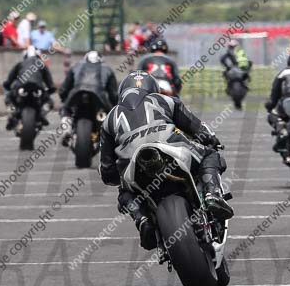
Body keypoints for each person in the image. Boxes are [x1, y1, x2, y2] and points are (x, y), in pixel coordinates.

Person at [99, 71, 234, 250]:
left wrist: (116, 176)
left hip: (133, 163)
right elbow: (197, 127)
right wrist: (211, 139)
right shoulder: (164, 100)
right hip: (170, 145)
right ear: (152, 88)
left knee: (125, 193)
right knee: (210, 155)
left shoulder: (109, 119)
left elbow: (107, 170)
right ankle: (212, 193)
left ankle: (142, 220)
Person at [58, 51, 119, 146]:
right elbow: (113, 94)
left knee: (65, 108)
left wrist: (64, 99)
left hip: (77, 92)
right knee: (110, 114)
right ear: (101, 60)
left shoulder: (76, 66)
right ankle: (108, 134)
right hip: (99, 95)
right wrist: (115, 105)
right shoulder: (107, 69)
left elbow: (64, 88)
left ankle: (66, 129)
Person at [2, 46, 56, 130]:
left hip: (20, 88)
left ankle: (12, 114)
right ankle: (42, 114)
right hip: (38, 89)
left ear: (25, 56)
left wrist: (7, 86)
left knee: (8, 98)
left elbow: (9, 81)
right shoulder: (42, 65)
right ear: (38, 56)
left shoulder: (20, 64)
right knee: (50, 102)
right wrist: (50, 90)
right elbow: (50, 84)